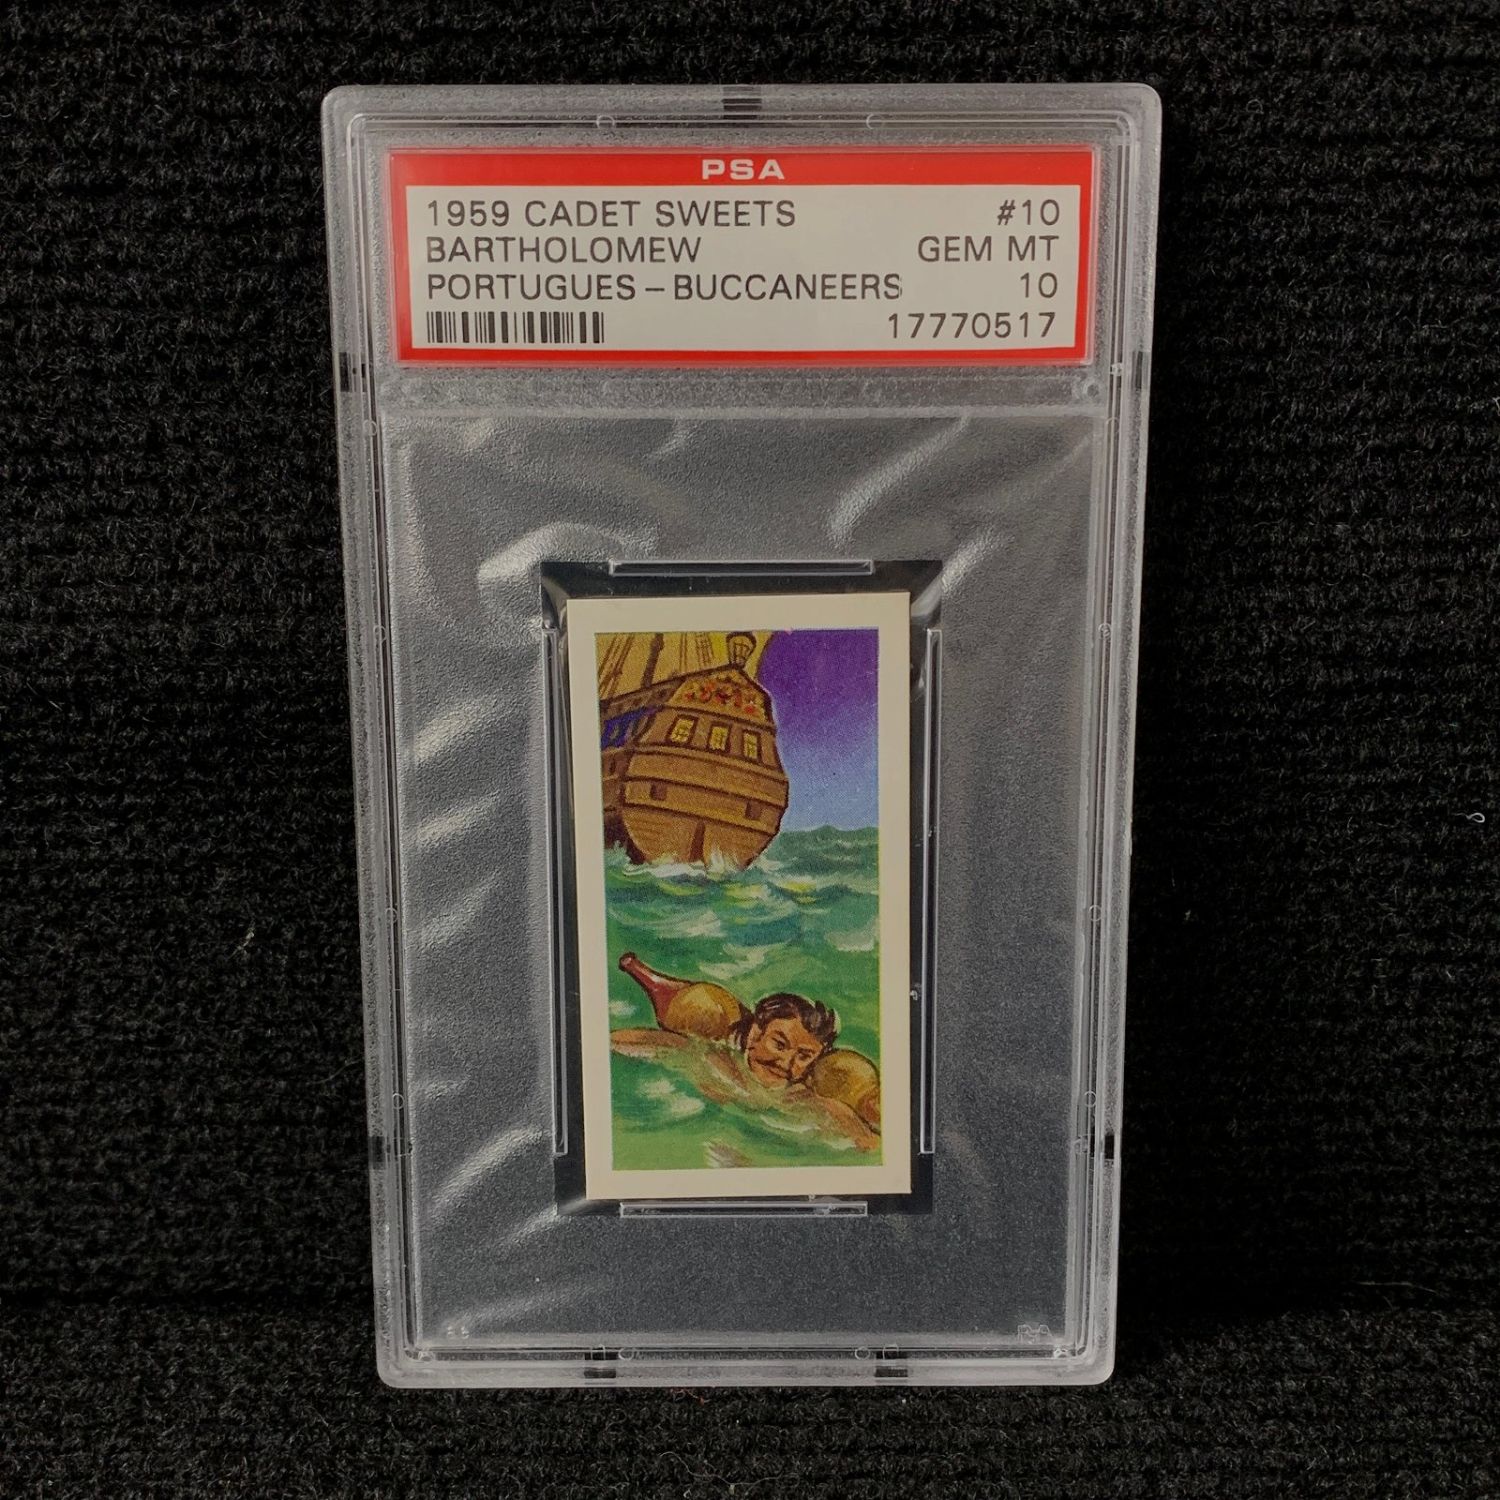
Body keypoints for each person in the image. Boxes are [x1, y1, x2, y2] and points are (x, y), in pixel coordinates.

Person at [610, 952, 881, 1149]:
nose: (786, 1062)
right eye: (779, 1044)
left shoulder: (810, 1104)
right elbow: (645, 1043)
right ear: (755, 1034)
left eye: (804, 1056)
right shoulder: (712, 1061)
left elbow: (869, 1144)